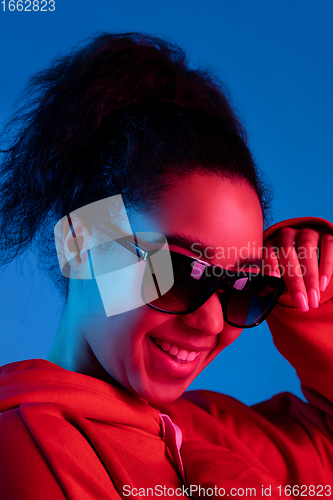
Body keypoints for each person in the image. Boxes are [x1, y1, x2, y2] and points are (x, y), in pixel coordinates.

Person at [0, 32, 332, 499]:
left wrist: (315, 295)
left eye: (244, 287)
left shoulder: (203, 428)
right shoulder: (28, 448)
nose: (213, 322)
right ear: (80, 244)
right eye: (174, 273)